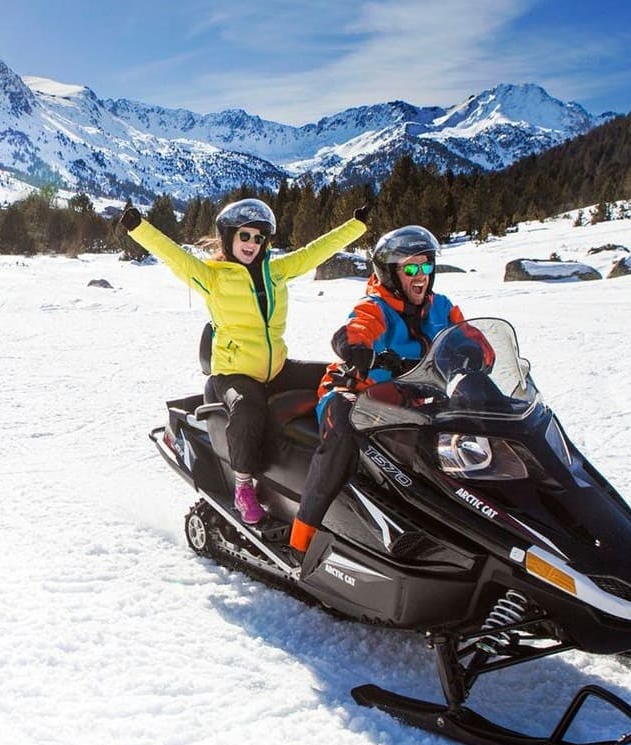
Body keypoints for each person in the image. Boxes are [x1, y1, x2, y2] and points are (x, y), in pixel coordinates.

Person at [121, 198, 367, 523]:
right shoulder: (213, 278)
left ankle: (351, 450)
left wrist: (357, 226)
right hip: (233, 375)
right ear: (229, 238)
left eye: (258, 238)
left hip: (276, 369)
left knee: (339, 374)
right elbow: (174, 257)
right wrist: (139, 228)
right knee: (249, 410)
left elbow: (314, 252)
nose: (252, 244)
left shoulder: (276, 272)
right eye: (245, 236)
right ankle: (243, 486)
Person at [290, 224, 466, 554]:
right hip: (356, 394)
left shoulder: (441, 307)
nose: (421, 275)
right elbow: (356, 329)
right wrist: (355, 347)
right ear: (389, 273)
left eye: (427, 265)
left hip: (414, 402)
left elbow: (473, 340)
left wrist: (475, 353)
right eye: (411, 268)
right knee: (343, 432)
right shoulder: (376, 307)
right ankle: (302, 538)